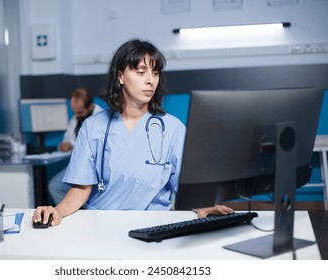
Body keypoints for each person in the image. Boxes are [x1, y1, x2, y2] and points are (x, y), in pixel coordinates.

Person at [33, 39, 233, 226]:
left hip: (154, 224)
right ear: (120, 76)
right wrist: (58, 211)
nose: (150, 81)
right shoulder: (93, 127)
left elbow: (185, 186)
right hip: (101, 225)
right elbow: (81, 187)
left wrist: (205, 205)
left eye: (155, 73)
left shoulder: (173, 128)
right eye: (141, 72)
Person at [48, 87, 103, 204]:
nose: (76, 115)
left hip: (95, 165)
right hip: (77, 163)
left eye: (80, 112)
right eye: (74, 112)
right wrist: (65, 144)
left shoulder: (101, 118)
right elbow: (68, 138)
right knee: (54, 186)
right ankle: (74, 211)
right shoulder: (76, 118)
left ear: (90, 106)